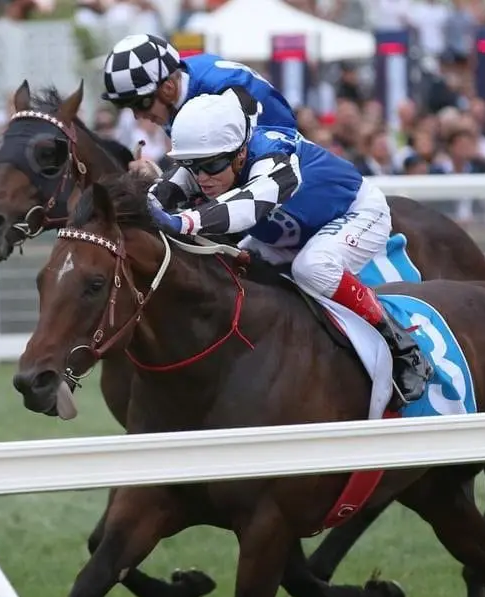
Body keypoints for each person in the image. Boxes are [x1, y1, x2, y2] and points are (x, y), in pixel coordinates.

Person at [147, 90, 433, 404]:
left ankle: (402, 346)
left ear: (241, 152)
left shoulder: (273, 154)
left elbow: (249, 205)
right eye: (192, 165)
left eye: (211, 165)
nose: (202, 177)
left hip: (355, 213)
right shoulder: (215, 157)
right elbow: (162, 192)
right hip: (289, 233)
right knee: (226, 268)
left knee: (312, 267)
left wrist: (184, 221)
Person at [101, 33, 297, 135]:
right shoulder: (176, 91)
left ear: (168, 88)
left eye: (140, 103)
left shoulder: (220, 94)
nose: (138, 116)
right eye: (128, 107)